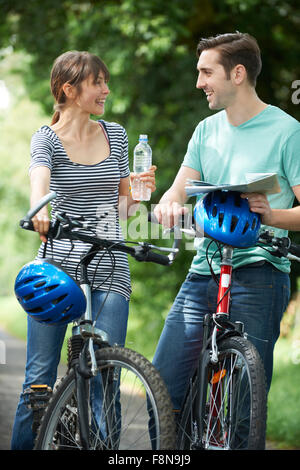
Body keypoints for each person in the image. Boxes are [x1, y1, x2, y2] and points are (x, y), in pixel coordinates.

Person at [152, 32, 300, 425]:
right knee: (162, 398)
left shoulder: (287, 132)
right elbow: (177, 189)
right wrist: (168, 205)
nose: (199, 82)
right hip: (204, 272)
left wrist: (271, 215)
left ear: (237, 74)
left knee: (242, 411)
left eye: (206, 72)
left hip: (261, 274)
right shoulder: (206, 130)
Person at [11, 50, 156, 450]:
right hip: (59, 268)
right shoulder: (47, 138)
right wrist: (39, 209)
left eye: (106, 82)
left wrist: (140, 193)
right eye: (98, 83)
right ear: (69, 89)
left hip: (109, 262)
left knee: (105, 377)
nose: (106, 90)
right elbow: (39, 183)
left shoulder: (117, 134)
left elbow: (123, 207)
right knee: (38, 380)